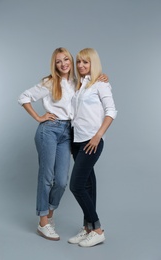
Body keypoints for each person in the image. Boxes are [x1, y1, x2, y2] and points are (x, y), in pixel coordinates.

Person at [18, 47, 108, 241]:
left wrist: (102, 77)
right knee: (46, 176)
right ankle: (43, 222)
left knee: (61, 181)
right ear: (54, 64)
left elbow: (93, 90)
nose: (64, 64)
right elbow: (23, 97)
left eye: (66, 59)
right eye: (59, 61)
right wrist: (39, 117)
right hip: (49, 130)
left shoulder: (78, 82)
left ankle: (50, 214)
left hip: (69, 132)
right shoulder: (49, 82)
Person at [68, 48, 117, 247]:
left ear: (93, 64)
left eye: (85, 62)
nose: (80, 66)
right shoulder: (79, 85)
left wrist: (98, 136)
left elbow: (111, 111)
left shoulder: (101, 85)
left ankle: (97, 229)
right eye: (79, 62)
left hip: (91, 141)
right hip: (76, 141)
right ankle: (87, 228)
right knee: (88, 185)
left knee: (76, 185)